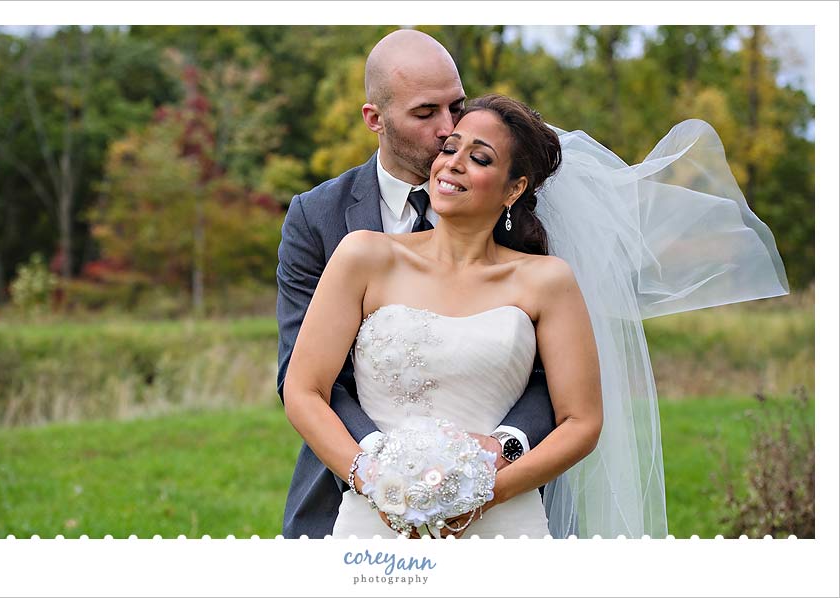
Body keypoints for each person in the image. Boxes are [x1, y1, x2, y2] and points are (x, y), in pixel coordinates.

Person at [283, 89, 790, 538]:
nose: (452, 163)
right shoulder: (364, 256)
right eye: (449, 148)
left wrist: (485, 493)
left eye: (479, 158)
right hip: (374, 520)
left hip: (501, 525)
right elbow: (304, 389)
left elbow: (581, 421)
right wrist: (373, 477)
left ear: (513, 190)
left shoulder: (547, 281)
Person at [276, 30, 557, 539]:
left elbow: (549, 371)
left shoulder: (515, 211)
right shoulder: (317, 219)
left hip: (502, 493)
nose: (449, 127)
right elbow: (304, 377)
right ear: (374, 119)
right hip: (353, 491)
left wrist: (503, 449)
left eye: (456, 105)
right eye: (426, 114)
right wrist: (393, 473)